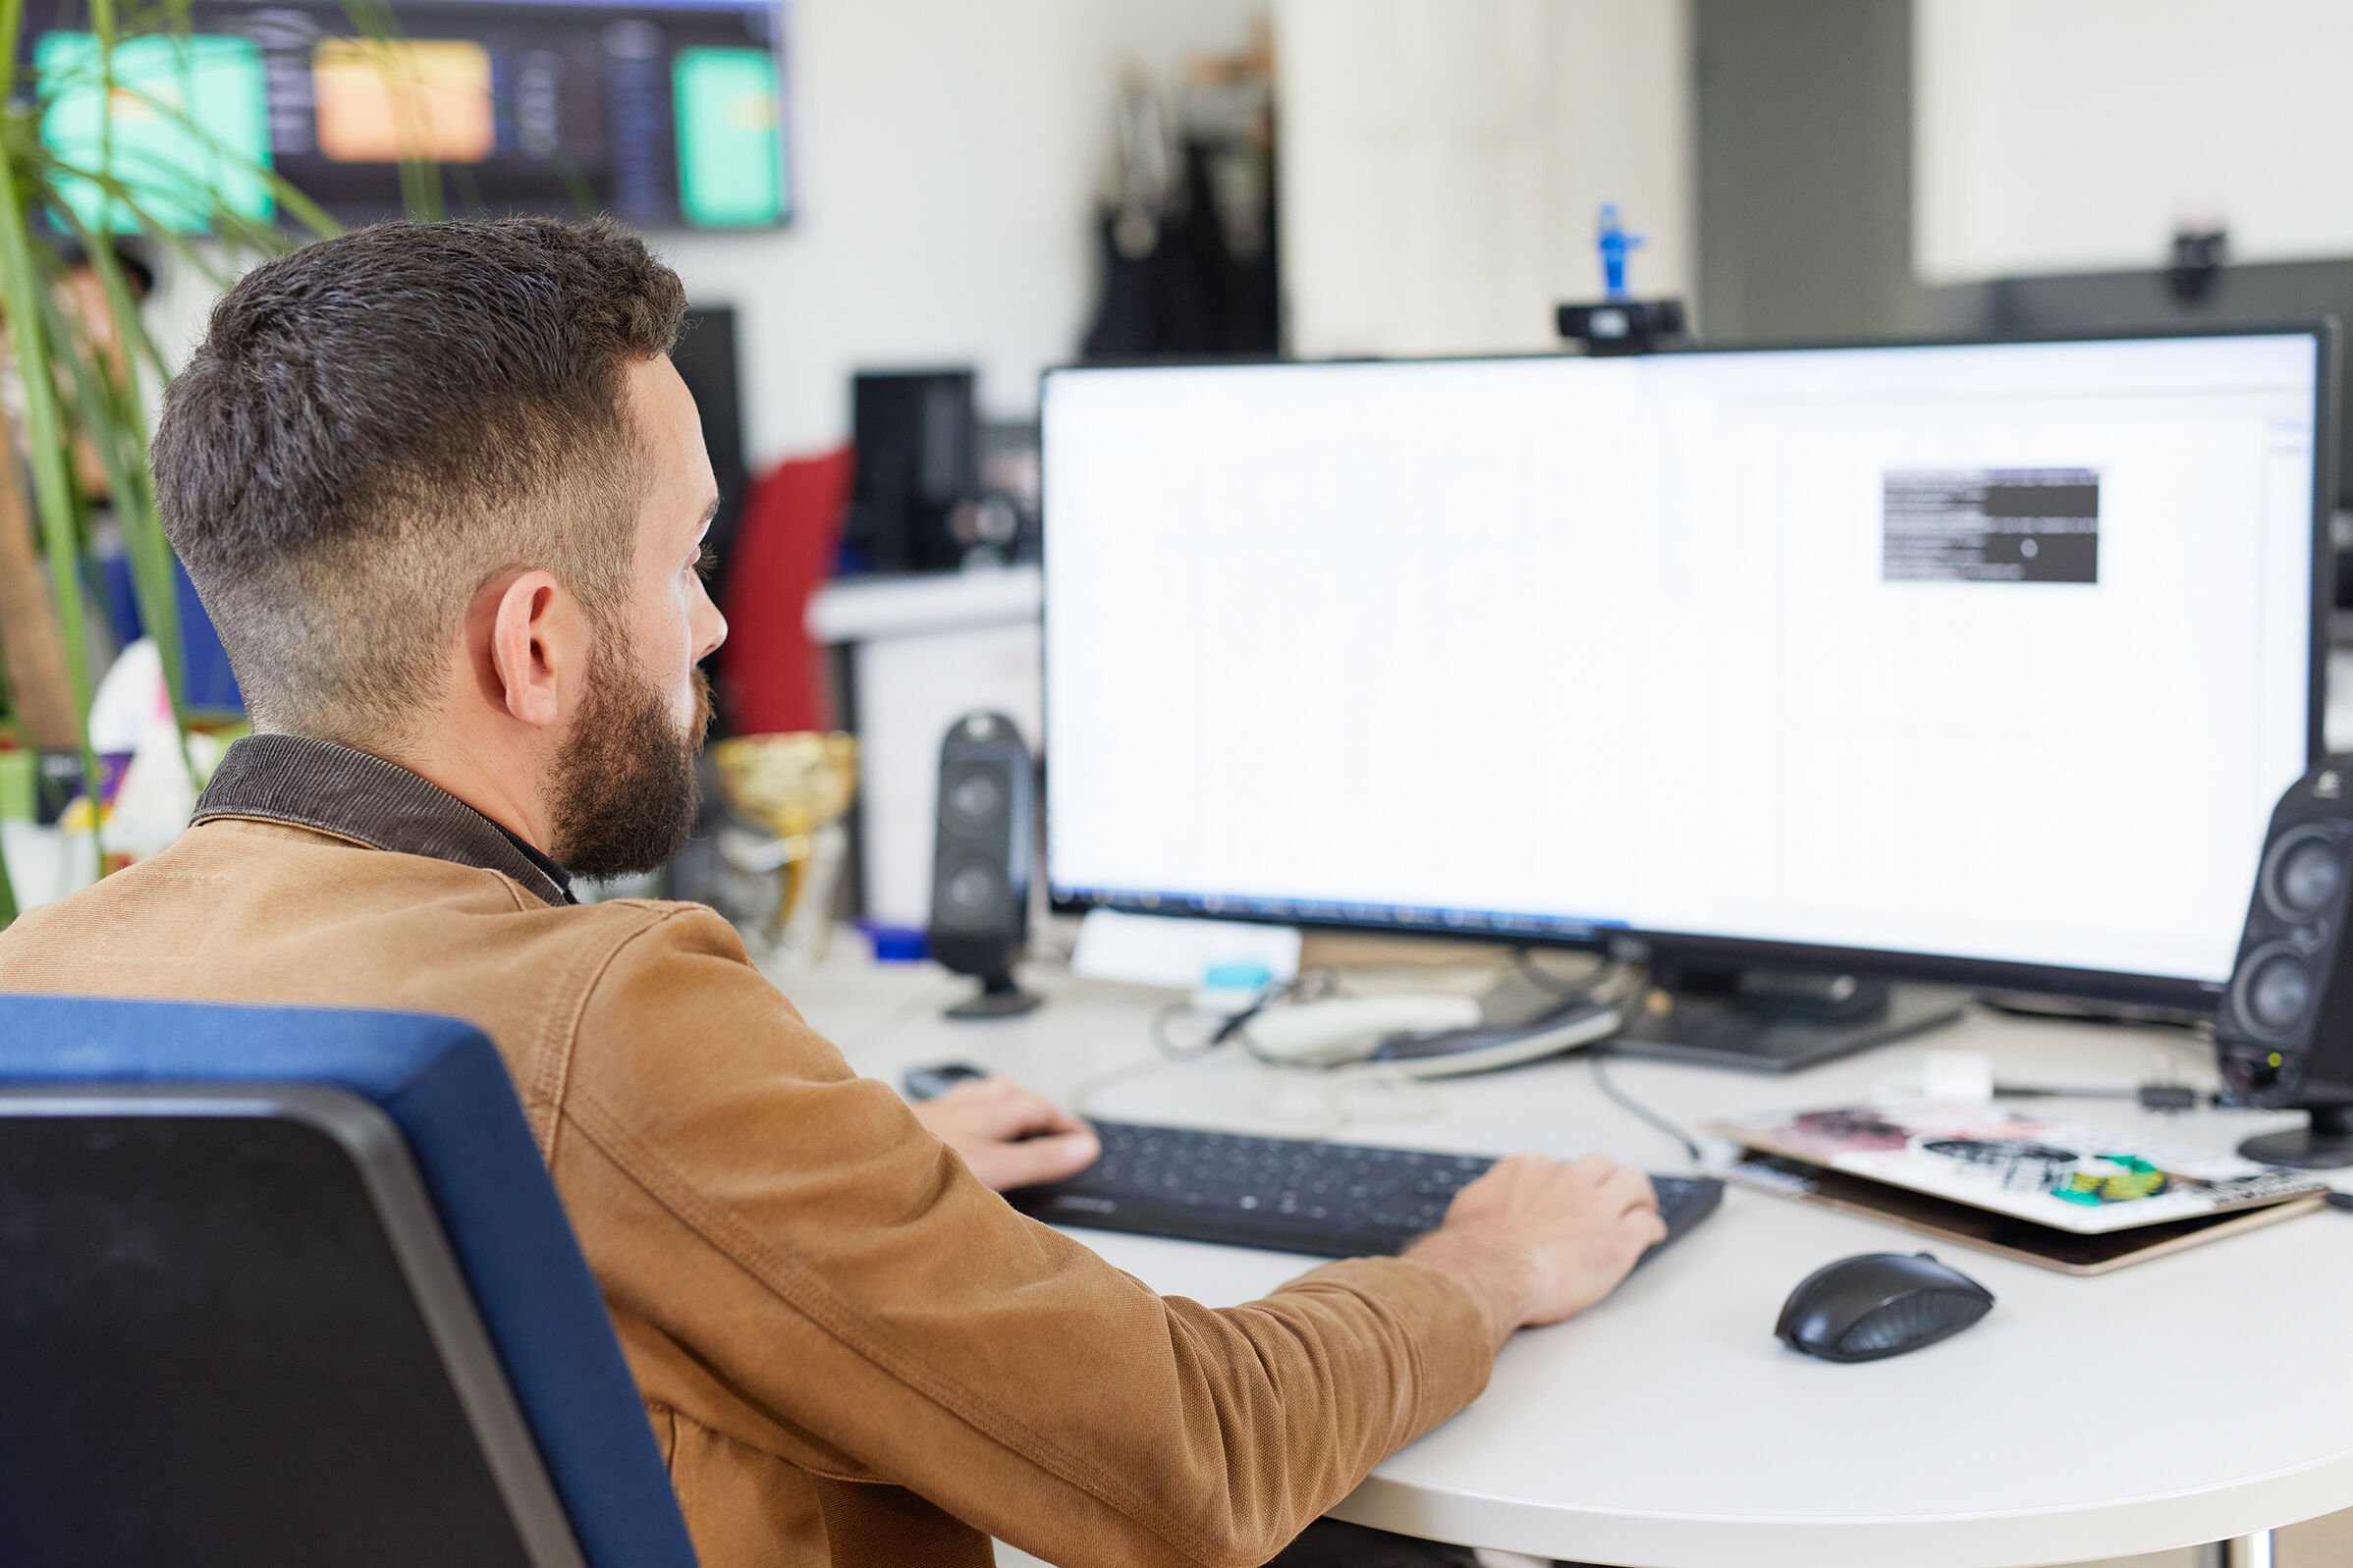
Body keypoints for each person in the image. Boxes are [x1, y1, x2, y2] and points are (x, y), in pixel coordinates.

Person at [0, 218, 1665, 1568]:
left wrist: (824, 1189)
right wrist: (1482, 1263)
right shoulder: (612, 1018)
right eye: (685, 563)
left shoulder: (43, 977)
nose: (716, 627)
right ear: (533, 643)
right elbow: (1194, 1453)